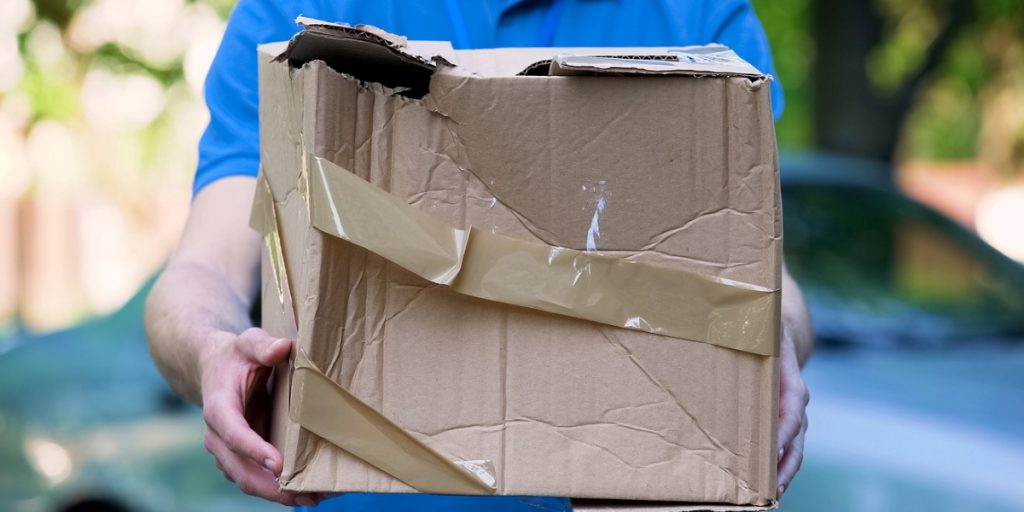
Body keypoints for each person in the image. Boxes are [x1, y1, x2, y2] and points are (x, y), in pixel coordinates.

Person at [144, 1, 813, 511]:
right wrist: (211, 352)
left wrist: (769, 345)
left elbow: (767, 287)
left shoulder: (696, 14)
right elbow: (203, 271)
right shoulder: (304, 10)